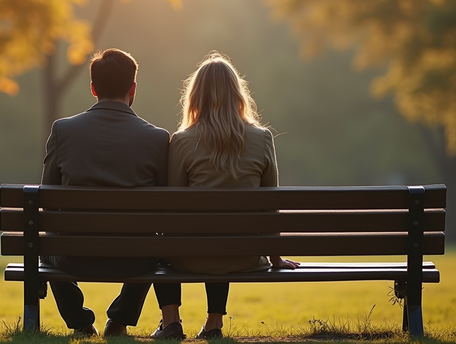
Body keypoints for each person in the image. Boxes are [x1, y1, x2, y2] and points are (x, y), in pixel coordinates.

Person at [151, 51, 299, 340]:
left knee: (161, 240)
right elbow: (271, 205)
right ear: (237, 93)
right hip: (243, 255)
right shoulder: (263, 138)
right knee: (225, 232)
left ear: (195, 96)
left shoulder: (181, 141)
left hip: (189, 258)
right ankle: (214, 324)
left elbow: (172, 210)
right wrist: (276, 257)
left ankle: (171, 322)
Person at [41, 48, 170, 337]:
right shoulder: (157, 138)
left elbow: (46, 200)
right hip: (135, 257)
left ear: (93, 87)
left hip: (72, 255)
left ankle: (80, 322)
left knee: (45, 244)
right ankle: (120, 321)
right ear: (133, 88)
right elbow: (164, 209)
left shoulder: (63, 130)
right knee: (156, 246)